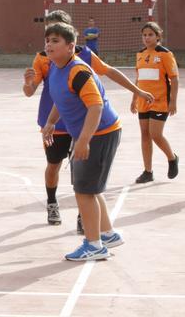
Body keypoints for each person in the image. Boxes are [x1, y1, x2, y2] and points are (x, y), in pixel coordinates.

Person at [24, 10, 152, 233]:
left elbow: (108, 76)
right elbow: (30, 90)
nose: (51, 41)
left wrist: (137, 90)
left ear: (70, 37)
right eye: (48, 35)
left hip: (86, 126)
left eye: (57, 33)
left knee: (81, 178)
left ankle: (87, 222)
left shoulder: (82, 58)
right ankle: (52, 203)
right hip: (55, 122)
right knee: (54, 166)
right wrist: (28, 86)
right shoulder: (45, 59)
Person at [41, 21, 123, 261]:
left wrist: (83, 141)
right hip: (94, 133)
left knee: (84, 191)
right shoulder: (56, 67)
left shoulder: (79, 71)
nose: (49, 45)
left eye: (55, 41)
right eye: (47, 40)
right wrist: (50, 122)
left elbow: (96, 106)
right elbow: (60, 97)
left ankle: (94, 244)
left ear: (71, 46)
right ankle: (107, 234)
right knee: (91, 188)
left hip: (99, 133)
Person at [130, 22, 179, 184]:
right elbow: (138, 79)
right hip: (144, 101)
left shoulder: (165, 54)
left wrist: (173, 101)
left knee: (155, 134)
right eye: (144, 35)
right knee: (145, 135)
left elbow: (174, 78)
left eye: (150, 34)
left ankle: (172, 158)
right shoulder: (140, 54)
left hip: (160, 101)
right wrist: (134, 98)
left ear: (158, 36)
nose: (147, 37)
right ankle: (148, 171)